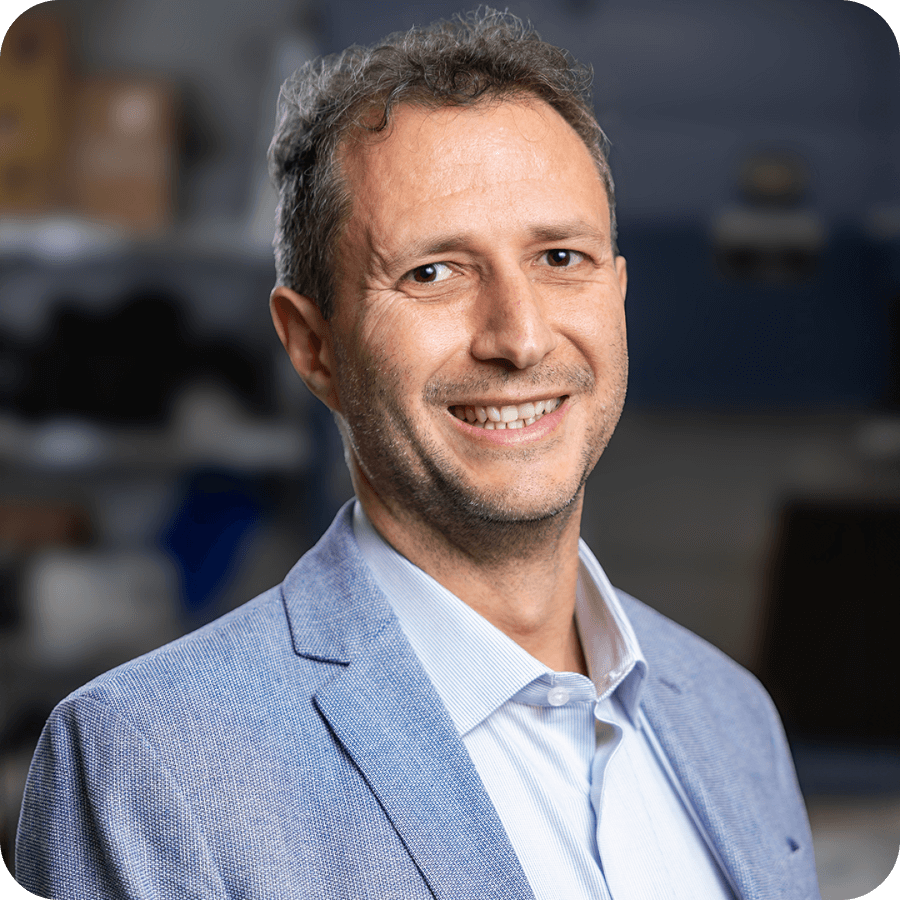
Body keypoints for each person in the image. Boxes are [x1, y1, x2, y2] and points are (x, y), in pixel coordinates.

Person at [15, 10, 820, 899]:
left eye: (561, 257)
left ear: (618, 295)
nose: (519, 337)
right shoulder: (149, 762)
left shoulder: (734, 718)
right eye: (433, 272)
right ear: (312, 344)